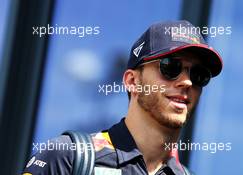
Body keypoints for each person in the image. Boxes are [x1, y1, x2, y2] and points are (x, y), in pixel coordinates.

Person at [22, 20, 223, 175]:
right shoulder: (68, 156)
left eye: (199, 75)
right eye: (171, 67)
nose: (187, 82)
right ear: (132, 81)